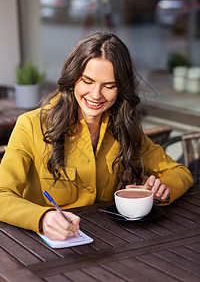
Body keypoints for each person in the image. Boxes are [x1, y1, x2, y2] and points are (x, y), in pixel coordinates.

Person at [0, 32, 193, 240]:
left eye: (109, 86)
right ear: (73, 78)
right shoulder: (30, 125)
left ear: (121, 89)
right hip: (44, 247)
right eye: (87, 81)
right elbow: (2, 194)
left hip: (111, 242)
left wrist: (161, 191)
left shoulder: (125, 129)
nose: (95, 95)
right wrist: (42, 217)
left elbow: (180, 172)